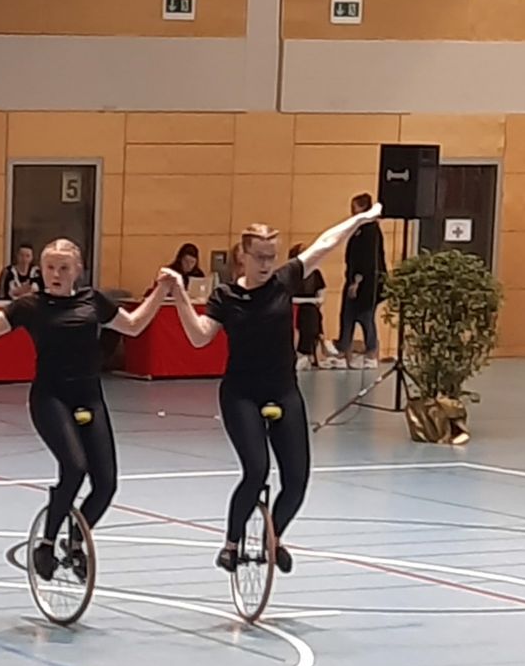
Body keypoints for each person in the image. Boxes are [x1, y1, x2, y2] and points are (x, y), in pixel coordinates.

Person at [161, 204, 381, 574]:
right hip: (241, 394)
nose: (266, 264)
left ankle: (273, 537)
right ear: (243, 256)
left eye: (271, 257)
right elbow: (199, 337)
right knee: (257, 469)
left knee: (296, 480)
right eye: (259, 257)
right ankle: (231, 543)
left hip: (283, 390)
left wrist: (357, 220)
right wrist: (181, 295)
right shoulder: (226, 296)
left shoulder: (285, 280)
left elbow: (325, 244)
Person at [0, 240, 171, 580]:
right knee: (75, 467)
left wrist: (162, 289)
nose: (56, 274)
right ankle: (46, 543)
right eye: (50, 267)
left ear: (77, 270)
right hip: (50, 399)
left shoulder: (92, 300)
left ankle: (76, 540)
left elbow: (134, 325)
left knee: (106, 484)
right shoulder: (30, 306)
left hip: (89, 398)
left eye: (64, 268)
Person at [332, 192, 386, 368]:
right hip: (354, 278)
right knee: (347, 316)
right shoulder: (358, 229)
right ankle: (343, 352)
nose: (351, 211)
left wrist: (357, 281)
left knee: (365, 316)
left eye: (354, 207)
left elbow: (367, 260)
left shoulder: (370, 231)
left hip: (366, 282)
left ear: (363, 208)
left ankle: (371, 353)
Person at [289, 242, 326, 368]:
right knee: (304, 313)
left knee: (311, 314)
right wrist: (310, 301)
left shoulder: (315, 273)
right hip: (295, 306)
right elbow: (288, 297)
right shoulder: (291, 274)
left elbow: (321, 297)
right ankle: (301, 352)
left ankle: (307, 352)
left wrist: (314, 301)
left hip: (310, 306)